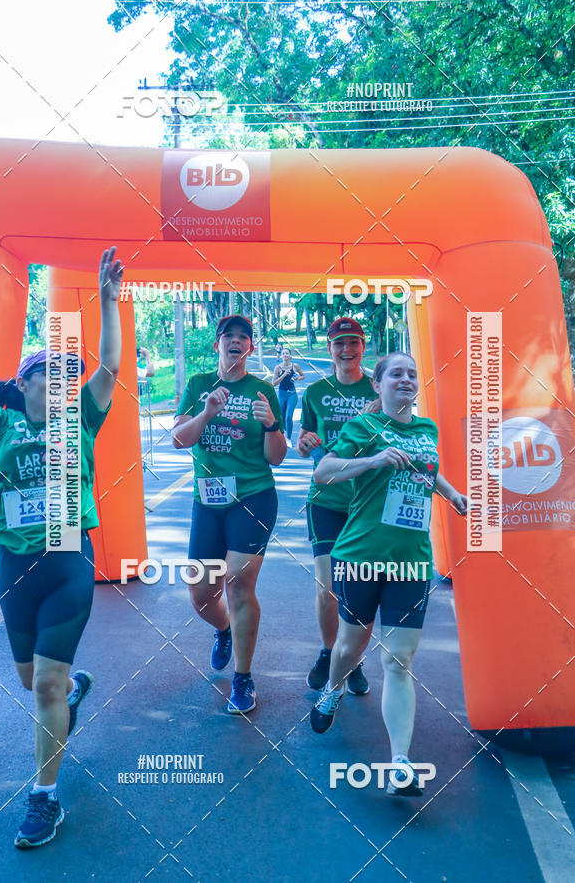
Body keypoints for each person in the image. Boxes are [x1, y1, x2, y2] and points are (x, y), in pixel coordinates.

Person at [0, 247, 123, 846]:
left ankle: (44, 797)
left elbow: (109, 367)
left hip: (66, 561)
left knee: (42, 687)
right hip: (14, 567)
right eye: (53, 373)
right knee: (37, 679)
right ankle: (71, 689)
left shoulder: (80, 418)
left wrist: (108, 300)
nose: (65, 380)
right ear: (29, 381)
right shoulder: (0, 426)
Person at [309, 351, 468, 797]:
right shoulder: (362, 429)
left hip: (411, 561)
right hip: (362, 556)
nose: (405, 379)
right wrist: (374, 460)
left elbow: (427, 473)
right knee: (349, 646)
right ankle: (334, 689)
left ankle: (400, 763)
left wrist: (453, 494)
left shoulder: (427, 429)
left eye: (412, 374)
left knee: (398, 662)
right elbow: (323, 473)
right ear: (376, 386)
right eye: (395, 374)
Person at [171, 315, 286, 714]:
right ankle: (223, 629)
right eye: (228, 337)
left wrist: (271, 425)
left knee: (238, 586)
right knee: (202, 595)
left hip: (253, 497)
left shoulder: (262, 389)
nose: (235, 342)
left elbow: (277, 457)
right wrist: (206, 412)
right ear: (217, 344)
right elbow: (178, 440)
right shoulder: (199, 384)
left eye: (243, 338)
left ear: (250, 348)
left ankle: (243, 678)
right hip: (208, 501)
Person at [297, 318, 376, 695]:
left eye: (354, 343)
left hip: (367, 502)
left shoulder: (379, 387)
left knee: (358, 586)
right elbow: (304, 440)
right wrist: (305, 442)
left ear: (363, 346)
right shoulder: (313, 392)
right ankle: (330, 653)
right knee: (328, 587)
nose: (347, 350)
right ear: (329, 349)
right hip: (326, 500)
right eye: (339, 343)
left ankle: (353, 658)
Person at [272, 347, 304, 445]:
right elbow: (273, 383)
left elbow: (303, 376)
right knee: (281, 416)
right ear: (281, 356)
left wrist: (298, 378)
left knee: (289, 416)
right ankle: (283, 434)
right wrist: (284, 375)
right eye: (283, 353)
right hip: (282, 394)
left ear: (290, 356)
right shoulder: (278, 368)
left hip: (292, 394)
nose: (285, 355)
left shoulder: (295, 366)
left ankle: (288, 439)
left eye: (287, 353)